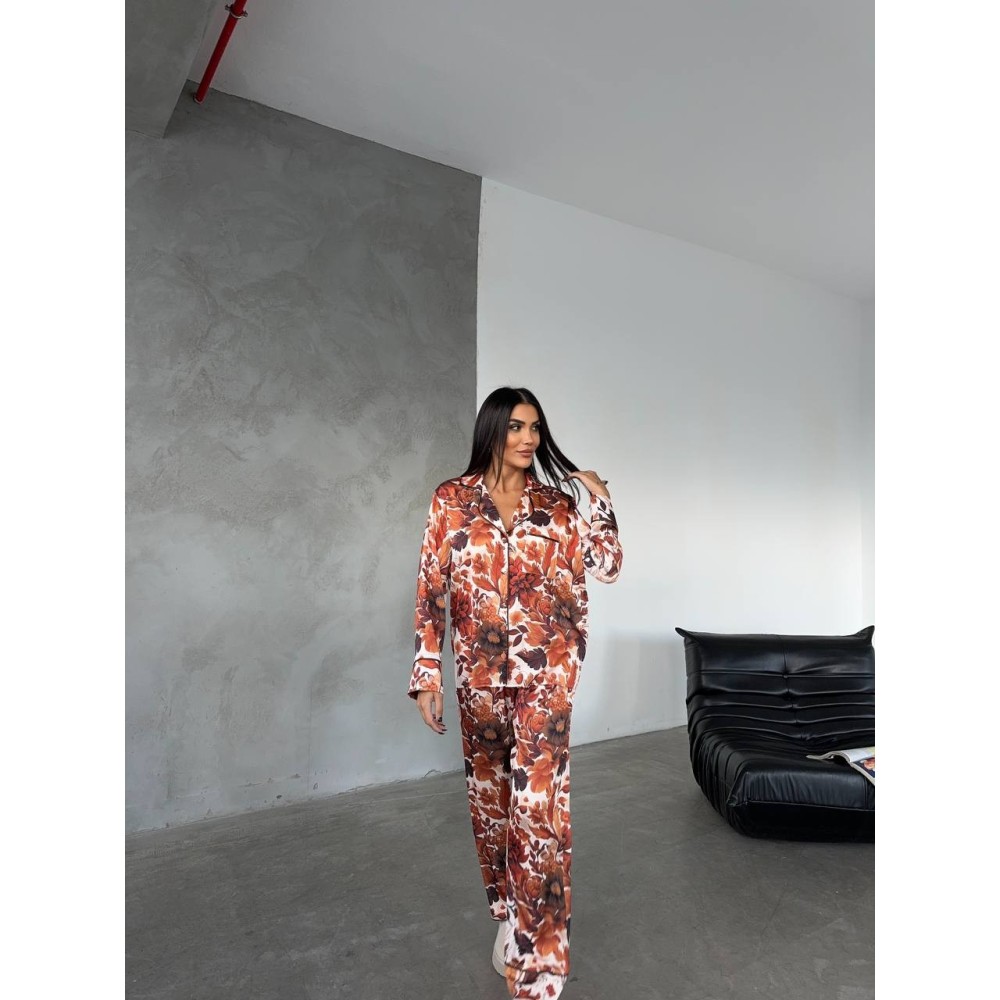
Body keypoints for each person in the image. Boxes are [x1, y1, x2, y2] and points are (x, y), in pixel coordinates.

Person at [408, 386, 624, 1000]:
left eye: (535, 427)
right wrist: (426, 674)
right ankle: (507, 916)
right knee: (492, 806)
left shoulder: (557, 506)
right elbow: (431, 591)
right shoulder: (451, 501)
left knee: (540, 810)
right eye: (517, 427)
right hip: (477, 679)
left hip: (545, 679)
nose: (529, 438)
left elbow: (607, 566)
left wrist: (600, 501)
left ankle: (539, 965)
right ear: (493, 430)